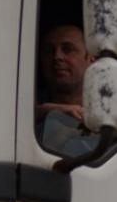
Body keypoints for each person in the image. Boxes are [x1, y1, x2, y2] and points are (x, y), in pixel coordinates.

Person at [36, 23, 99, 156]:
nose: (57, 57)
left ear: (91, 59)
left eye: (68, 49)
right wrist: (51, 111)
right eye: (49, 51)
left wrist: (100, 124)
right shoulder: (22, 103)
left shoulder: (107, 105)